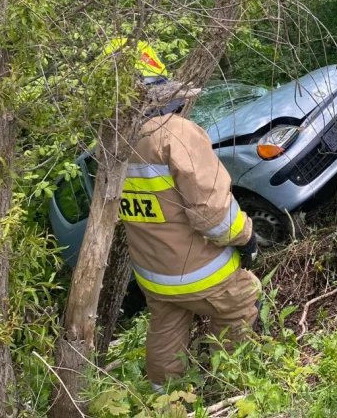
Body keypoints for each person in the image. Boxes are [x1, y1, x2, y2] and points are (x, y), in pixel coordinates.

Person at [104, 39, 261, 388]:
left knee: (166, 329)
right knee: (240, 304)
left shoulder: (111, 143)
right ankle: (231, 385)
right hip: (201, 271)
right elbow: (214, 213)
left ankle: (165, 398)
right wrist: (246, 237)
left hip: (153, 275)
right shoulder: (173, 133)